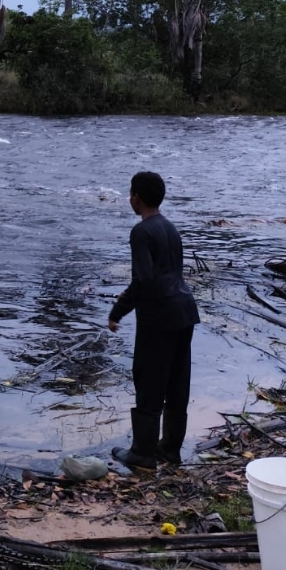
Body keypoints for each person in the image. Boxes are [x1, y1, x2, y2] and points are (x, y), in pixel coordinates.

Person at [108, 171, 199, 470]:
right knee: (176, 381)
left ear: (136, 197)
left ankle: (143, 454)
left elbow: (144, 281)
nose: (129, 198)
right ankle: (170, 449)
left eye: (130, 193)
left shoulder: (141, 232)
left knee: (149, 380)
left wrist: (118, 310)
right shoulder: (170, 227)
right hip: (184, 311)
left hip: (159, 316)